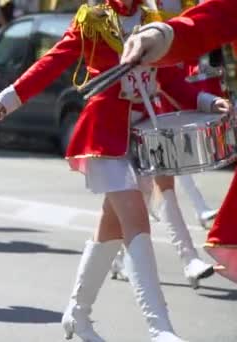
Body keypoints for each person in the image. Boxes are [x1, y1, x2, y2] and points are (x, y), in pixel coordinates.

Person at [0, 1, 230, 340]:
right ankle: (160, 329)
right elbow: (53, 62)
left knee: (109, 231)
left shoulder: (152, 20)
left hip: (142, 135)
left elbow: (169, 78)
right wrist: (7, 99)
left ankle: (76, 315)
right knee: (136, 220)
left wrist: (204, 101)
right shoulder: (93, 21)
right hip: (105, 136)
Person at [121, 0, 237, 284]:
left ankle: (187, 257)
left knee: (159, 181)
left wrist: (204, 98)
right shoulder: (105, 16)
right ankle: (126, 258)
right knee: (134, 194)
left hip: (172, 95)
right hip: (127, 112)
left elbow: (178, 68)